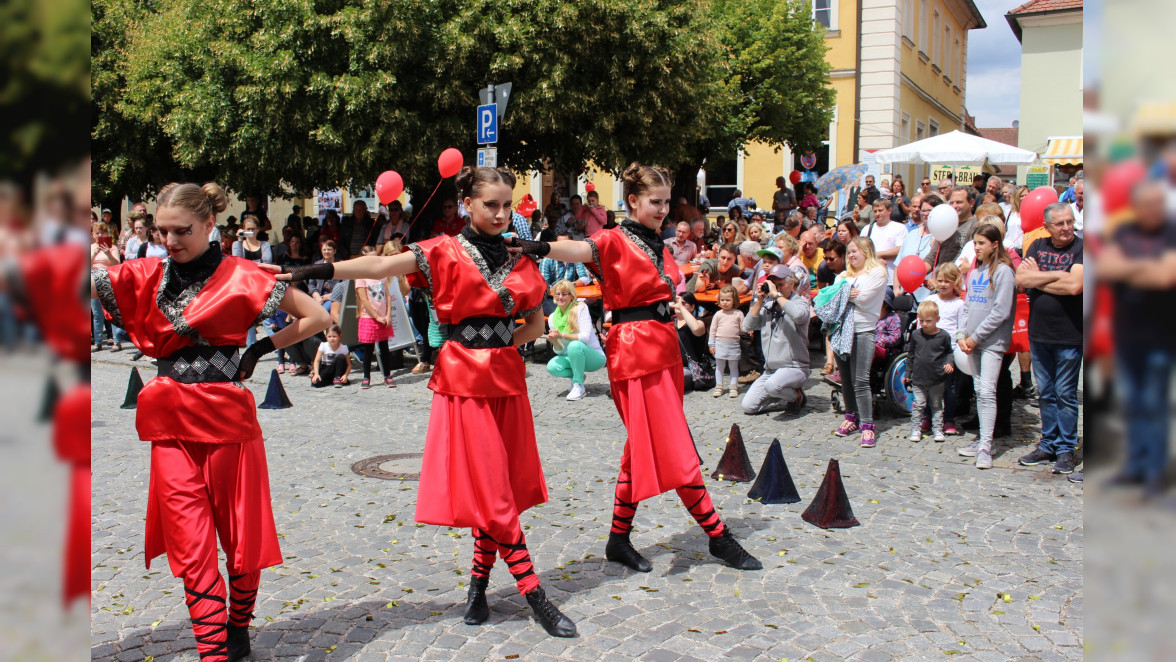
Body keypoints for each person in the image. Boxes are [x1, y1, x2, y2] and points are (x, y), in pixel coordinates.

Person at [274, 166, 576, 637]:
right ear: (467, 205)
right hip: (463, 385)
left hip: (507, 382)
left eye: (506, 204)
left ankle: (478, 585)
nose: (499, 213)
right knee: (495, 491)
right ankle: (534, 594)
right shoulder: (442, 250)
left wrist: (501, 343)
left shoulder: (522, 260)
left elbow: (535, 325)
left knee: (498, 488)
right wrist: (318, 268)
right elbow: (378, 266)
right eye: (489, 204)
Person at [91, 181, 331, 662]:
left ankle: (238, 624)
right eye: (162, 232)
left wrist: (260, 349)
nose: (170, 241)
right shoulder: (147, 271)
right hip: (171, 426)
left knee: (241, 543)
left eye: (181, 231)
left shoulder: (243, 274)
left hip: (228, 425)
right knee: (192, 547)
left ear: (208, 226)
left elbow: (316, 315)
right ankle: (213, 653)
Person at [511, 162, 762, 574]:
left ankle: (618, 540)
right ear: (633, 201)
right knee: (672, 444)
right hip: (634, 352)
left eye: (666, 202)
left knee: (642, 448)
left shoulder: (658, 243)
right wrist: (539, 248)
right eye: (655, 201)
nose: (664, 209)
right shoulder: (613, 239)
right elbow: (579, 248)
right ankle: (718, 536)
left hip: (661, 348)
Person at [1095, 180, 1176, 495]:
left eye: (1157, 203)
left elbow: (1166, 276)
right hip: (1127, 335)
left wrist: (1130, 268)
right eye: (1146, 203)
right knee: (1131, 404)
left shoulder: (1171, 232)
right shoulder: (1124, 231)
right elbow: (1107, 267)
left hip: (1161, 337)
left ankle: (1154, 471)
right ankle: (1134, 466)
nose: (1152, 209)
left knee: (1155, 405)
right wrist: (1146, 268)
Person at [1014, 203, 1084, 475]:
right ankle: (1048, 443)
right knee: (1045, 393)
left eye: (1070, 221)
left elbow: (1076, 286)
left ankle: (1066, 448)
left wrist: (1038, 278)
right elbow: (1022, 277)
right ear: (1047, 227)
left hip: (1070, 334)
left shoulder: (1082, 247)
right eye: (1060, 223)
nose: (1067, 227)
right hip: (1039, 333)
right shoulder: (1037, 246)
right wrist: (1057, 274)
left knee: (1065, 394)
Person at [956, 223, 1017, 470]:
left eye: (981, 243)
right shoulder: (974, 273)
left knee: (988, 391)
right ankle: (982, 438)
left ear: (995, 244)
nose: (977, 247)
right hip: (972, 341)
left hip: (991, 342)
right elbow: (968, 305)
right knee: (979, 390)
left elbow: (1000, 311)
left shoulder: (1004, 272)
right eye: (975, 243)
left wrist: (976, 336)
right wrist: (961, 333)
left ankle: (986, 445)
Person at [831, 237, 889, 448]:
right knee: (845, 378)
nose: (851, 255)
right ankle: (851, 416)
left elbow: (865, 300)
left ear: (866, 251)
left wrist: (844, 293)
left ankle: (867, 425)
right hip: (841, 330)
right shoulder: (844, 276)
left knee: (861, 380)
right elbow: (832, 299)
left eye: (855, 251)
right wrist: (847, 293)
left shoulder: (877, 273)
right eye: (849, 252)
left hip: (864, 331)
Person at [741, 265, 810, 415]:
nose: (777, 289)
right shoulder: (768, 305)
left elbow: (799, 316)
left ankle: (796, 396)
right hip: (771, 370)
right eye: (774, 285)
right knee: (748, 406)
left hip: (795, 367)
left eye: (781, 285)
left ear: (792, 284)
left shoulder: (800, 302)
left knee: (773, 386)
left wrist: (778, 296)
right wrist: (759, 301)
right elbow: (746, 327)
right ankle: (782, 394)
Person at [544, 280, 606, 401]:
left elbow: (585, 337)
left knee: (574, 345)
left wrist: (561, 335)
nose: (560, 297)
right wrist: (555, 340)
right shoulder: (552, 317)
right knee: (552, 367)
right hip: (572, 356)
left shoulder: (580, 308)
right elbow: (560, 352)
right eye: (557, 294)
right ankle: (578, 376)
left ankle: (579, 385)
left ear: (571, 296)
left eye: (564, 294)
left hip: (594, 357)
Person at [922, 263, 965, 435]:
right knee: (927, 386)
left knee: (949, 387)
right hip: (929, 350)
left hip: (949, 351)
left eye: (948, 281)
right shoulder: (931, 301)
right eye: (940, 280)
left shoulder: (959, 304)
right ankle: (927, 416)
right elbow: (921, 324)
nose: (943, 284)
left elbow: (962, 327)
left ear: (955, 282)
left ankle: (948, 419)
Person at [905, 300, 955, 442]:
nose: (925, 324)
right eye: (921, 321)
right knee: (919, 405)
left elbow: (949, 352)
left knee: (936, 405)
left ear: (937, 319)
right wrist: (908, 373)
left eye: (928, 321)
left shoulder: (944, 336)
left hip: (937, 378)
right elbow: (911, 355)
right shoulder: (916, 335)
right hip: (919, 378)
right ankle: (916, 429)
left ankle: (938, 429)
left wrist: (949, 363)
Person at [353, 244, 400, 389]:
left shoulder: (382, 276)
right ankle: (366, 376)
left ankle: (387, 375)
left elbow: (387, 296)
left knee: (384, 348)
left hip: (383, 317)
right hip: (369, 317)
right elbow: (364, 299)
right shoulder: (361, 277)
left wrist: (388, 315)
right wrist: (376, 316)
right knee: (368, 349)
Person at [894, 194, 942, 293]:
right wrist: (896, 288)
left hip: (929, 296)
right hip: (906, 296)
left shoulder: (941, 238)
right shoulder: (911, 234)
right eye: (923, 210)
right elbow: (899, 264)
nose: (925, 213)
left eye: (930, 210)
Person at [708, 285, 744, 398]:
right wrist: (711, 344)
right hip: (720, 344)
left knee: (733, 367)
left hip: (734, 344)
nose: (725, 302)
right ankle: (719, 386)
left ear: (734, 300)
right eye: (722, 300)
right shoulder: (718, 314)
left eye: (728, 300)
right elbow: (712, 330)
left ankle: (733, 386)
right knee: (719, 367)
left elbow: (743, 328)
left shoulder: (738, 313)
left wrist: (749, 330)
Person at [862, 198, 908, 284]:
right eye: (875, 211)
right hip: (870, 279)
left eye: (880, 210)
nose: (877, 214)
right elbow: (861, 251)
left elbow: (900, 250)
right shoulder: (867, 229)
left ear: (889, 210)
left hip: (891, 280)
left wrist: (876, 255)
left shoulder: (899, 228)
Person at [934, 186, 979, 269]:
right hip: (940, 278)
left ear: (971, 203)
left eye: (959, 202)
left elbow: (969, 258)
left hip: (957, 278)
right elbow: (932, 257)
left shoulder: (976, 225)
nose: (954, 206)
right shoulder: (944, 224)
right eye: (951, 203)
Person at [308, 239, 339, 313]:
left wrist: (330, 296)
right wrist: (317, 297)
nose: (326, 252)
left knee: (322, 311)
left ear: (334, 251)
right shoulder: (317, 265)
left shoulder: (340, 265)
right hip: (318, 295)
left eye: (329, 249)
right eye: (324, 249)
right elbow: (311, 284)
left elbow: (345, 286)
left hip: (333, 297)